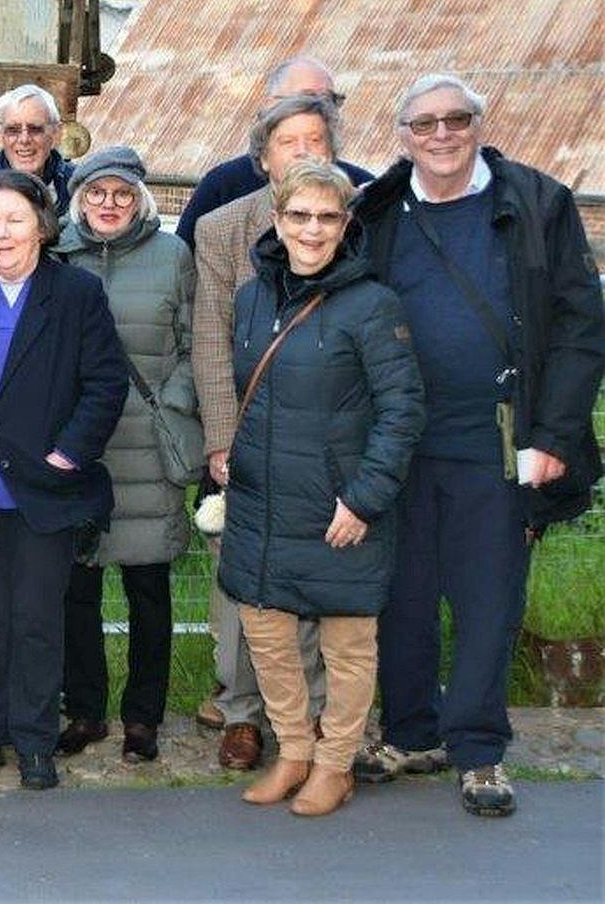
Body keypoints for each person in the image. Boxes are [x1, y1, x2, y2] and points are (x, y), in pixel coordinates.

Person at [353, 74, 603, 817]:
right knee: (400, 595)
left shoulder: (537, 202)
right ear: (400, 133)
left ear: (477, 124)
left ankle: (478, 751)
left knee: (486, 598)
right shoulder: (377, 208)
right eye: (422, 123)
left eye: (454, 120)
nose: (439, 135)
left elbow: (581, 325)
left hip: (496, 440)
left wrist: (555, 434)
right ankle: (410, 731)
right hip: (397, 439)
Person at [221, 160, 425, 817]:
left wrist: (365, 497)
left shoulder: (371, 305)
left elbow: (402, 409)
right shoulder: (251, 296)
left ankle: (335, 764)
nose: (311, 229)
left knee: (345, 646)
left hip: (339, 505)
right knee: (268, 637)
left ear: (346, 224)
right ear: (276, 220)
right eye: (298, 215)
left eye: (326, 216)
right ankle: (294, 751)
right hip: (263, 499)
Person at [0, 169, 129, 790]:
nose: (2, 232)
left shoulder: (76, 294)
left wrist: (71, 453)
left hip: (46, 488)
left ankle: (37, 741)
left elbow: (106, 382)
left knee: (39, 619)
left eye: (15, 219)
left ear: (42, 227)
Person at [191, 91, 348, 770]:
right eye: (290, 141)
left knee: (312, 575)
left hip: (324, 438)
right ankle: (240, 713)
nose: (305, 151)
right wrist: (222, 441)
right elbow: (207, 341)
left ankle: (309, 718)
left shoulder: (350, 223)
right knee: (240, 577)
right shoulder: (222, 229)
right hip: (249, 434)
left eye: (316, 139)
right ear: (262, 156)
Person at [51, 146, 201, 764]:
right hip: (80, 444)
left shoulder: (172, 256)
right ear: (79, 197)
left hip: (147, 442)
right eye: (95, 193)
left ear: (139, 198)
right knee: (75, 590)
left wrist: (174, 401)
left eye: (120, 194)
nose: (107, 204)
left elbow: (197, 342)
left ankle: (144, 718)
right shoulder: (56, 252)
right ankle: (85, 710)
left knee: (148, 589)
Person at [173, 56, 373, 249]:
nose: (321, 108)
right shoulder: (224, 186)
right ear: (271, 104)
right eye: (307, 98)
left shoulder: (363, 189)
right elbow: (183, 263)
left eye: (330, 99)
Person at [0, 84, 74, 216]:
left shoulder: (80, 187)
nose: (24, 139)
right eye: (13, 130)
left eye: (35, 129)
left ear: (56, 134)